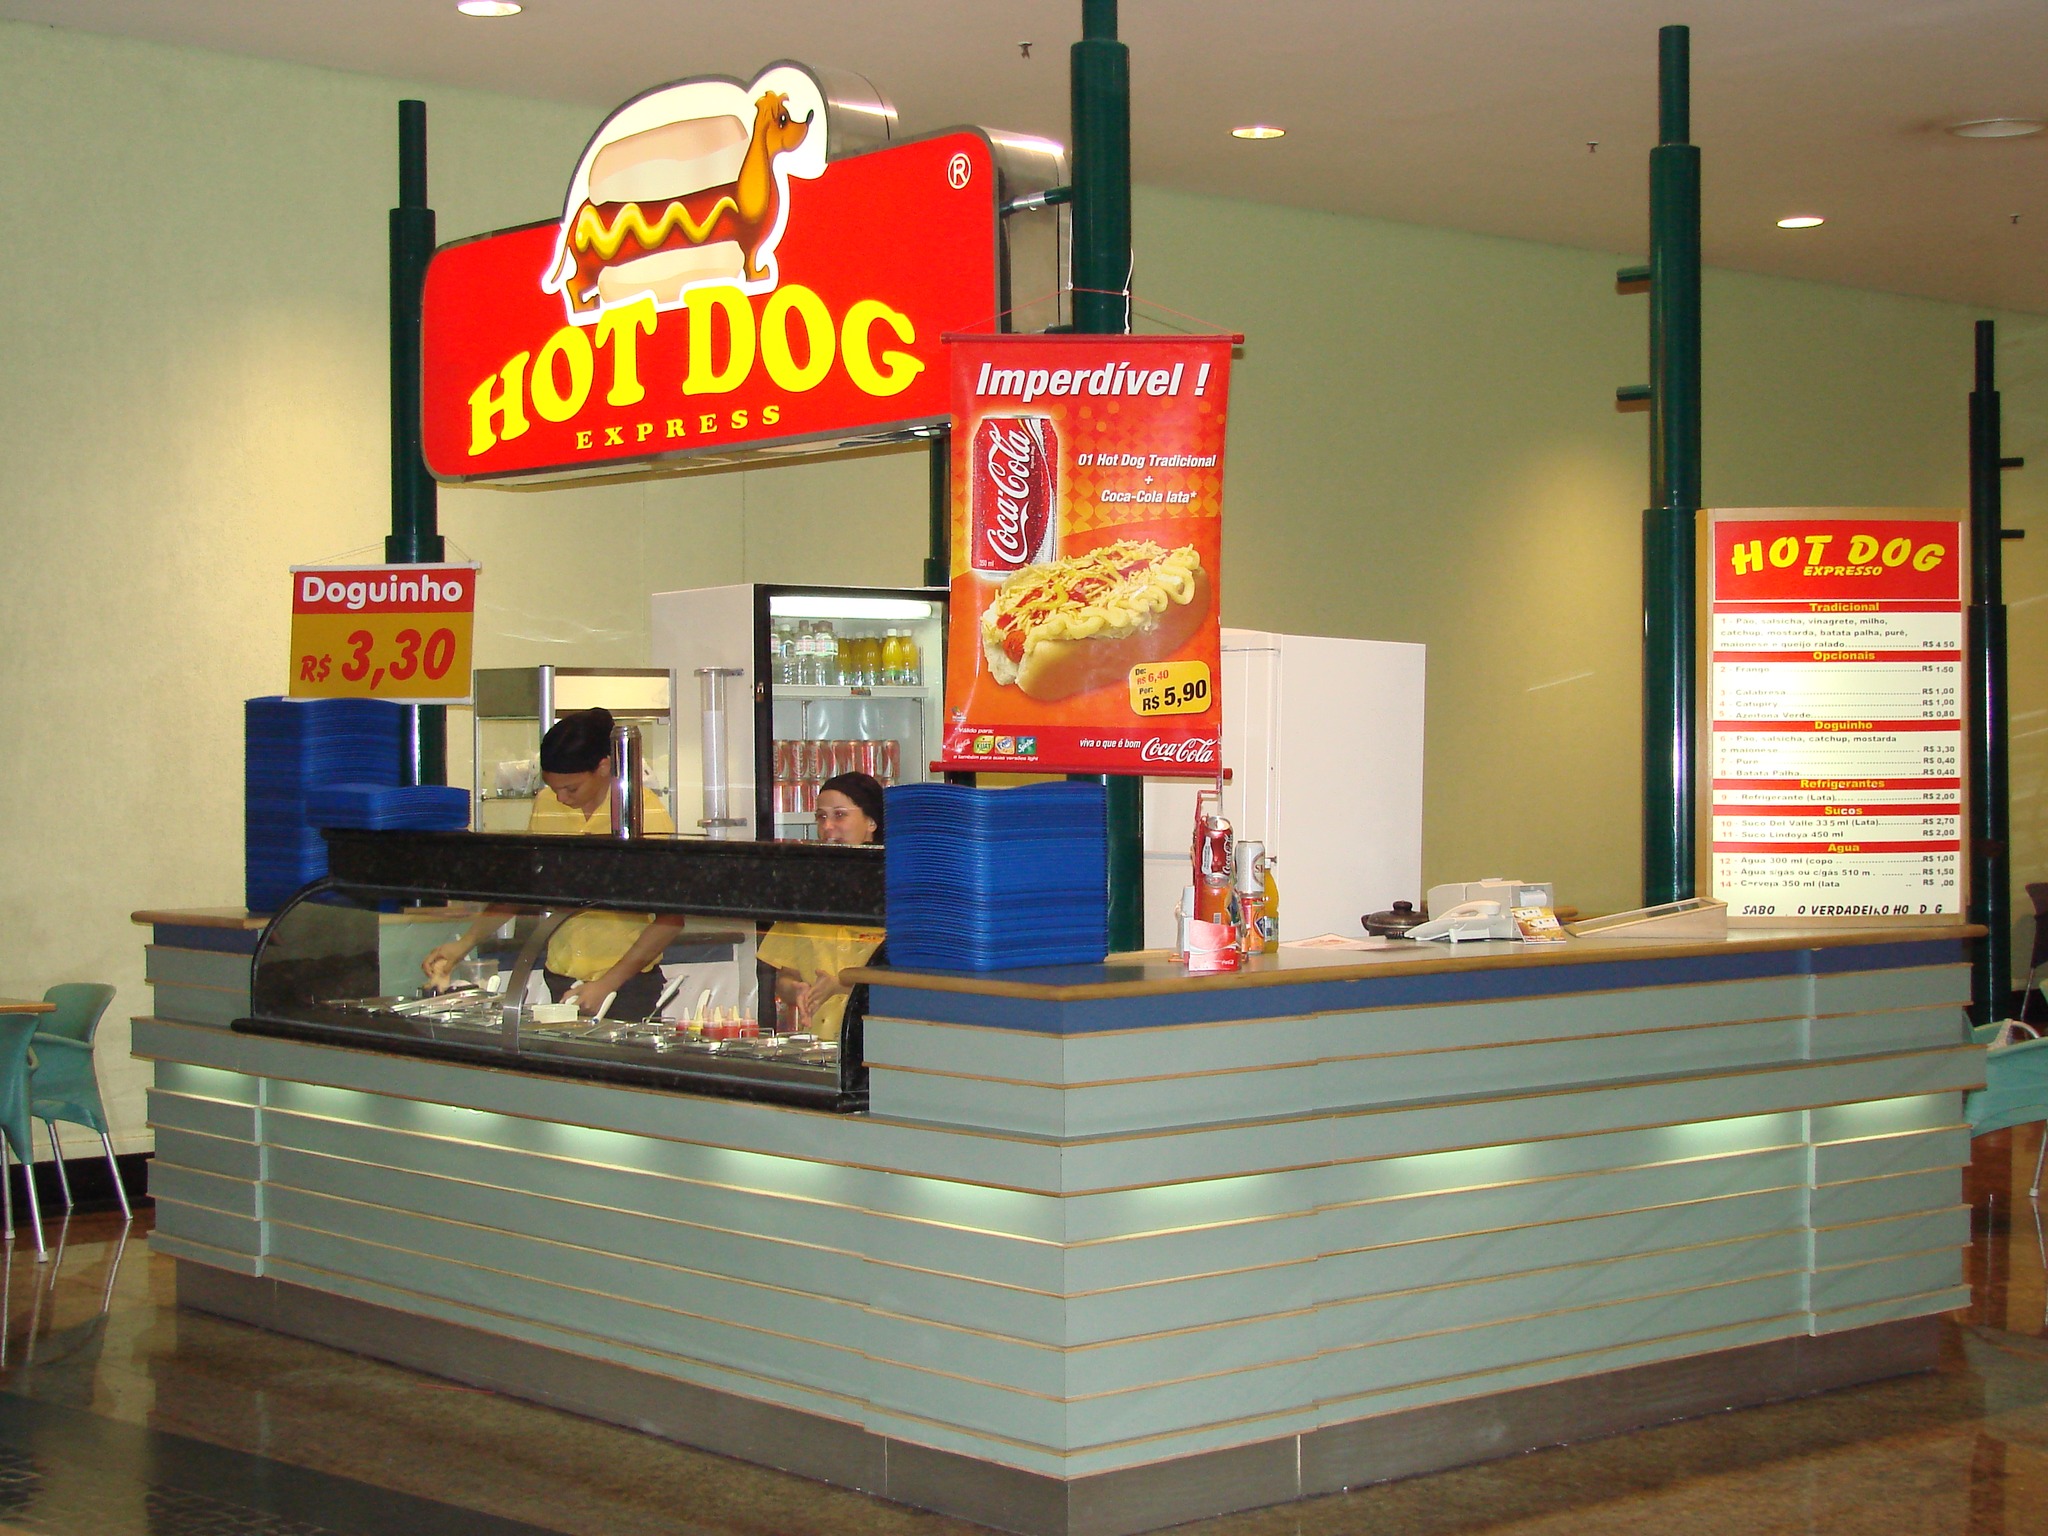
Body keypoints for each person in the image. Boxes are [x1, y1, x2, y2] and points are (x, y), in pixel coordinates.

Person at [424, 707, 683, 1018]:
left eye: (571, 788)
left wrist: (607, 984)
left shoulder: (643, 814)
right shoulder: (546, 805)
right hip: (560, 975)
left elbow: (670, 919)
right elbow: (523, 887)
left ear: (603, 767)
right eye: (553, 787)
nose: (561, 798)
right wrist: (462, 945)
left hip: (627, 984)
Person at [757, 771, 887, 1040]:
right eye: (821, 817)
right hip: (819, 1043)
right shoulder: (807, 890)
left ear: (871, 821)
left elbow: (910, 981)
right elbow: (785, 977)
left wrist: (841, 985)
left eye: (839, 815)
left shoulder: (897, 888)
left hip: (879, 1041)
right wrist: (797, 990)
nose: (827, 826)